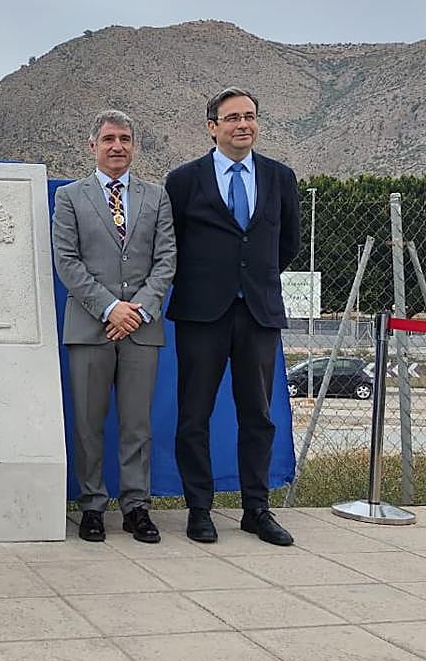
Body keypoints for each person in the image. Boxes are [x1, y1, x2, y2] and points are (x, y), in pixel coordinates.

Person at [165, 87, 301, 546]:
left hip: (258, 314)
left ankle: (255, 509)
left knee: (258, 416)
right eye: (232, 118)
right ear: (212, 127)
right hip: (202, 316)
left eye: (250, 116)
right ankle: (199, 509)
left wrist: (251, 284)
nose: (243, 124)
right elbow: (173, 245)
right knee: (194, 415)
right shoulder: (183, 181)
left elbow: (287, 246)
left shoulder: (280, 178)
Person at [52, 110, 177, 543]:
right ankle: (90, 505)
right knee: (88, 422)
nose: (117, 146)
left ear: (134, 146)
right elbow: (67, 261)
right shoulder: (70, 197)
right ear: (93, 146)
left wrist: (137, 309)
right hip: (90, 327)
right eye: (109, 139)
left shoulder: (156, 197)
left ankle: (136, 506)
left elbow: (166, 260)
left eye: (125, 138)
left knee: (137, 423)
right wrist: (110, 309)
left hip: (141, 329)